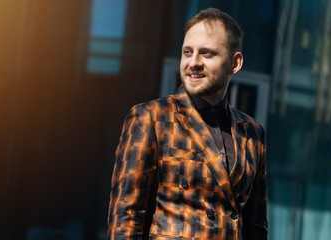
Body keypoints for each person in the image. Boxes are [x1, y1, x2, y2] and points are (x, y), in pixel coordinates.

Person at [108, 8, 268, 240]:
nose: (193, 63)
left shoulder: (253, 133)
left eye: (207, 54)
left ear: (235, 63)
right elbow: (125, 219)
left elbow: (257, 228)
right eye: (187, 52)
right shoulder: (151, 118)